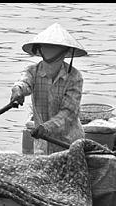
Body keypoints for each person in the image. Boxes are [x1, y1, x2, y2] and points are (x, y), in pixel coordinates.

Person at [10, 23, 88, 154]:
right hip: (42, 144)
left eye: (55, 50)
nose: (50, 55)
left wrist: (46, 128)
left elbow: (68, 114)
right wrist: (18, 90)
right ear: (40, 50)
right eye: (46, 49)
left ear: (66, 52)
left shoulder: (75, 77)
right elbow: (24, 83)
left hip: (68, 143)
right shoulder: (32, 71)